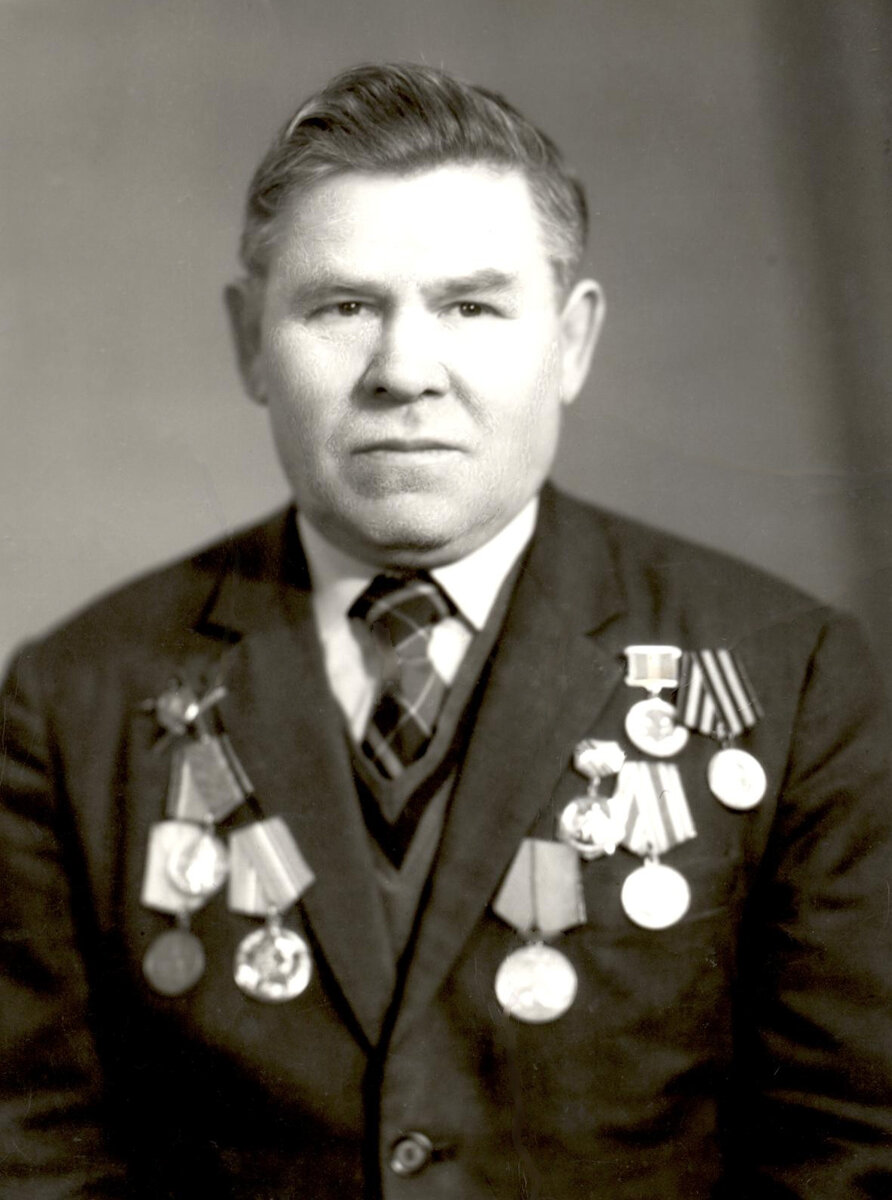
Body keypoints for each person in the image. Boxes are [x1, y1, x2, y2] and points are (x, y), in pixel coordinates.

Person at [1, 62, 891, 1200]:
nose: (404, 372)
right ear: (249, 342)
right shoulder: (75, 697)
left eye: (471, 306)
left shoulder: (789, 675)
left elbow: (849, 1152)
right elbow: (33, 1155)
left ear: (572, 341)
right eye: (342, 307)